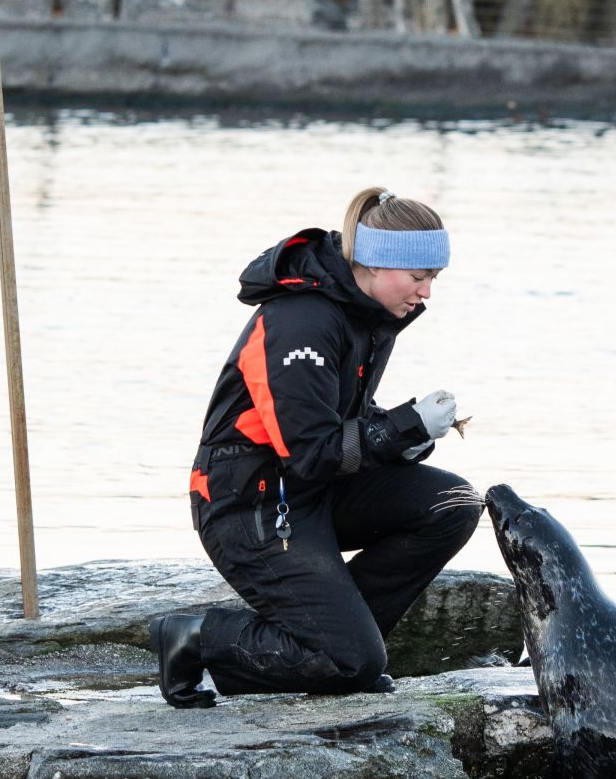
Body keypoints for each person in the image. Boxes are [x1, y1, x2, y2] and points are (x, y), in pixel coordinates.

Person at [149, 187, 482, 707]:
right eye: (420, 277)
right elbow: (309, 452)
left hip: (312, 492)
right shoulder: (302, 319)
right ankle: (197, 638)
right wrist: (402, 427)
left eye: (434, 279)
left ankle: (342, 646)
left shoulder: (370, 315)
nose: (427, 293)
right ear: (376, 262)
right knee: (353, 663)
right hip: (249, 505)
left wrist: (409, 440)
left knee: (453, 505)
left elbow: (343, 420)